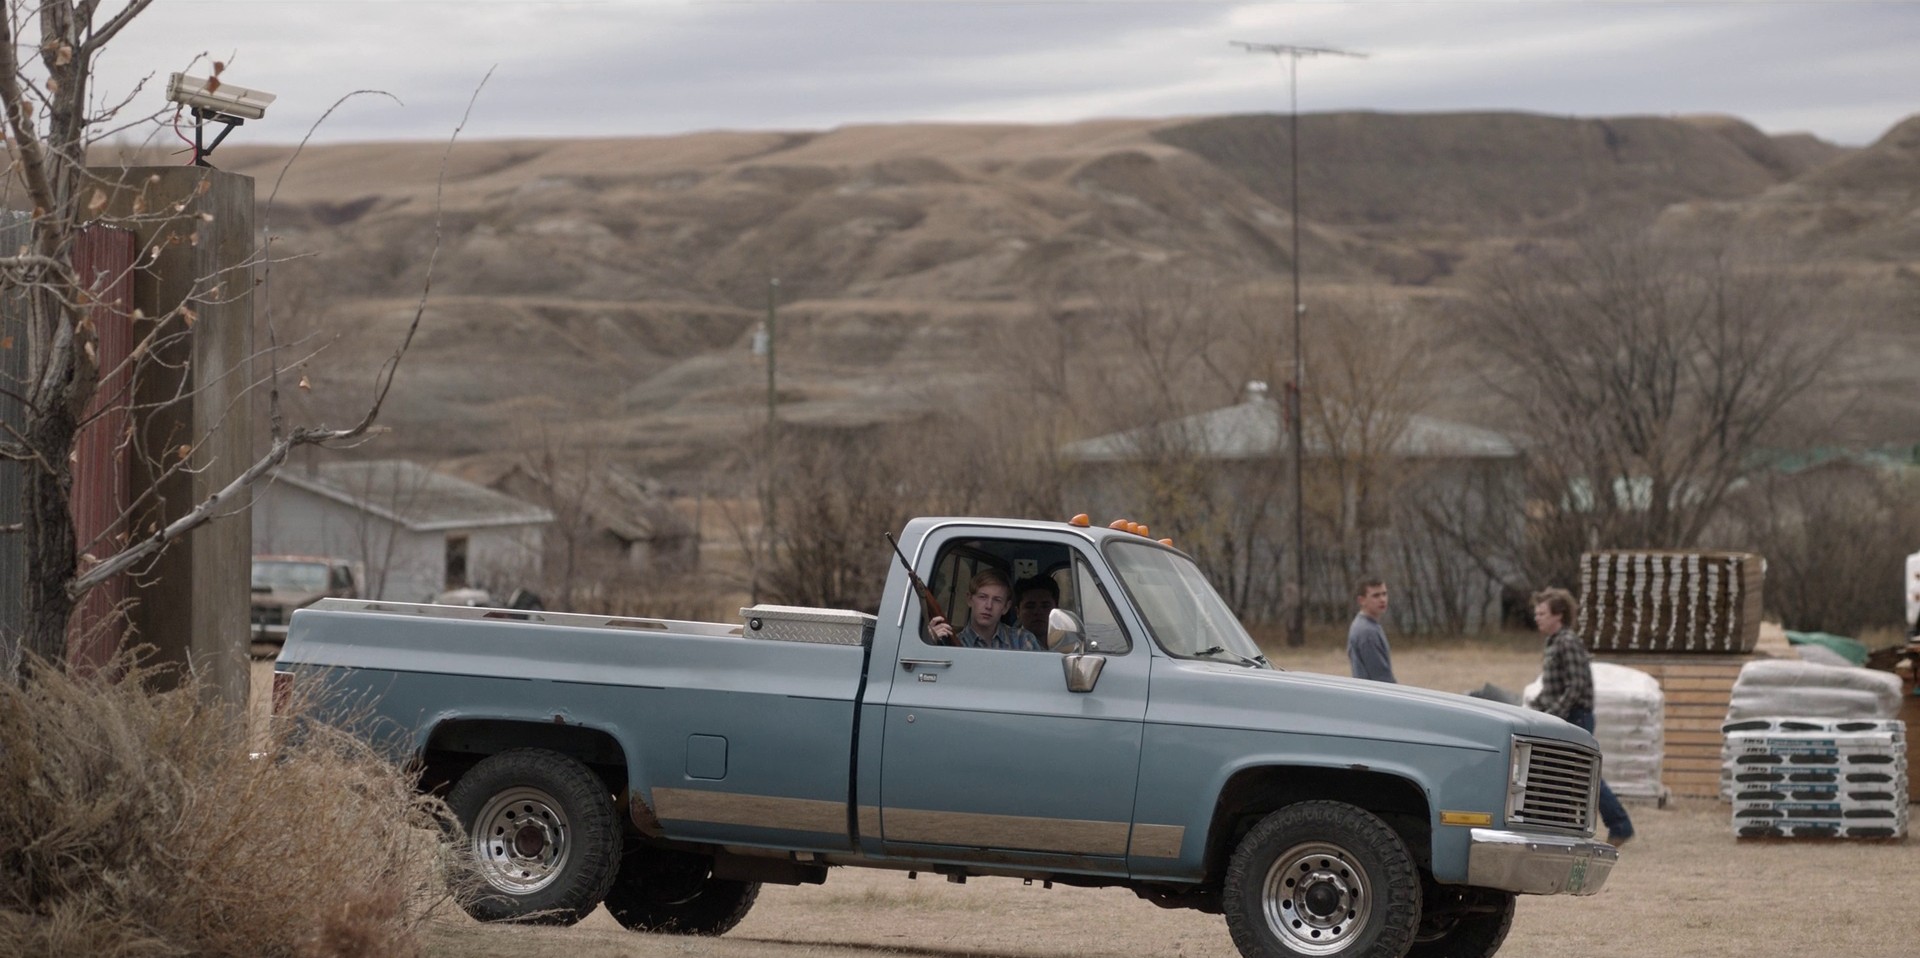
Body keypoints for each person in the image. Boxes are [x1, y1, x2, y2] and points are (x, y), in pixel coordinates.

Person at [1530, 586, 1635, 847]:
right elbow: (1553, 686)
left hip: (1575, 717)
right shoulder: (1552, 643)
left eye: (1542, 613)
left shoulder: (1568, 642)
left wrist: (1553, 714)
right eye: (1537, 613)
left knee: (1585, 777)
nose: (1537, 617)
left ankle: (1620, 825)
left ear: (1559, 615)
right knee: (1563, 776)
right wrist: (1535, 706)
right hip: (1561, 715)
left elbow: (1576, 686)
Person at [929, 569, 1042, 651]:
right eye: (982, 597)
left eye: (997, 600)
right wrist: (934, 644)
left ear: (1006, 607)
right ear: (969, 599)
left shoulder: (1022, 640)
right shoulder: (953, 643)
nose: (988, 606)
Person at [1346, 578, 1395, 683]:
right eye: (1376, 596)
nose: (1382, 599)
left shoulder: (1367, 625)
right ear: (1361, 600)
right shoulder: (1367, 632)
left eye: (1384, 594)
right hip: (1374, 696)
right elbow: (1381, 678)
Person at [1014, 575, 1060, 649]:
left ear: (1057, 610)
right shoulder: (1009, 644)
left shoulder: (1069, 643)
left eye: (1045, 606)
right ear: (1018, 612)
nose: (1038, 612)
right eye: (1030, 606)